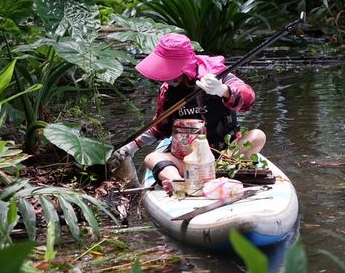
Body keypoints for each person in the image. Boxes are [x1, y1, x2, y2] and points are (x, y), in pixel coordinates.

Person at [110, 33, 266, 194]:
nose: (165, 76)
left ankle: (216, 173)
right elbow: (160, 127)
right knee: (152, 158)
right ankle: (177, 181)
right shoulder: (167, 90)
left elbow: (249, 98)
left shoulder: (218, 76)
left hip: (224, 155)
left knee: (257, 136)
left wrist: (224, 91)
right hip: (187, 161)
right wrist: (134, 145)